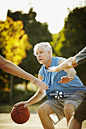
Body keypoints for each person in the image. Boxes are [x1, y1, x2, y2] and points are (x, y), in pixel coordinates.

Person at [15, 42, 86, 129]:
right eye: (37, 54)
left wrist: (69, 78)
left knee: (68, 107)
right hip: (59, 97)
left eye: (41, 52)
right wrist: (28, 102)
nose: (38, 55)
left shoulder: (60, 61)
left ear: (49, 53)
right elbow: (41, 92)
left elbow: (72, 71)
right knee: (41, 110)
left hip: (77, 93)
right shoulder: (41, 73)